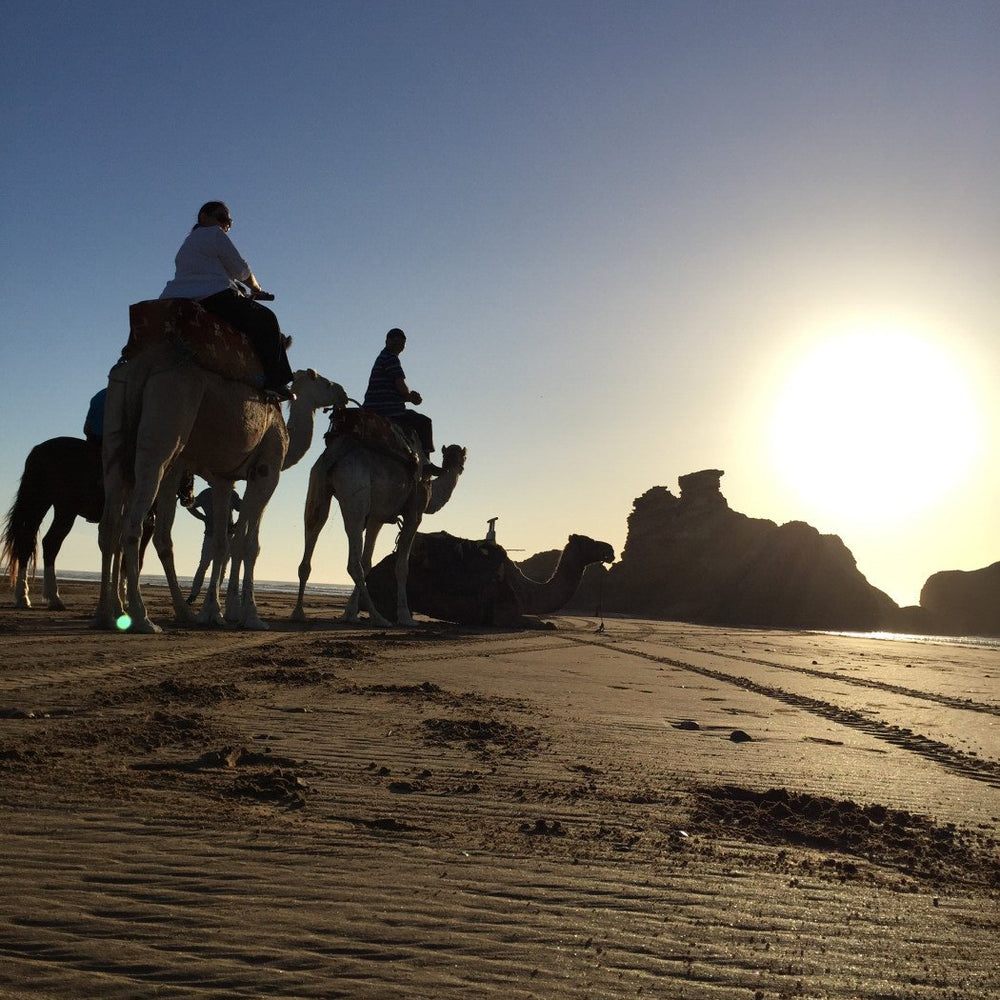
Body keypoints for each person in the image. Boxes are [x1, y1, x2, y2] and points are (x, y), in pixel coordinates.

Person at [159, 201, 293, 399]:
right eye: (221, 218)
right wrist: (256, 288)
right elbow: (240, 269)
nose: (226, 225)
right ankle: (276, 381)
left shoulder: (187, 245)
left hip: (176, 299)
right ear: (203, 217)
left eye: (229, 222)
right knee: (267, 319)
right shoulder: (214, 234)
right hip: (214, 297)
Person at [362, 328, 439, 472]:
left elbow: (397, 390)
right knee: (424, 422)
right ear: (388, 341)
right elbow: (402, 388)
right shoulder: (391, 359)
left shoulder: (382, 358)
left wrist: (408, 397)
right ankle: (426, 463)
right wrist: (412, 397)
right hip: (389, 410)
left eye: (400, 340)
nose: (398, 343)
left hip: (372, 407)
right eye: (395, 339)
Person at [185, 485, 242, 604]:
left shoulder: (231, 493)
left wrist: (236, 525)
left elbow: (244, 508)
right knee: (204, 565)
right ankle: (193, 594)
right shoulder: (206, 494)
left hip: (227, 534)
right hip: (211, 534)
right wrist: (203, 518)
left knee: (221, 567)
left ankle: (213, 593)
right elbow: (190, 506)